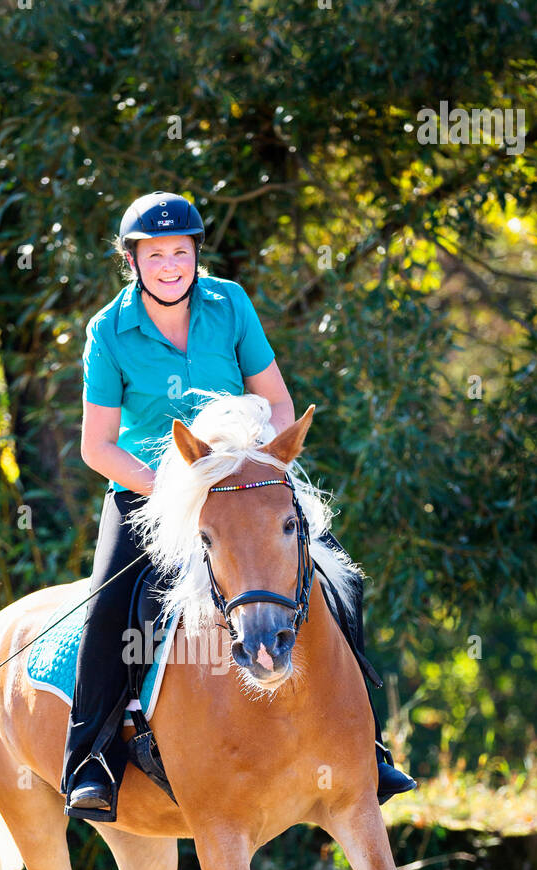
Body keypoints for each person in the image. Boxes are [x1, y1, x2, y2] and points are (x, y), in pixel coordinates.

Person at [61, 190, 415, 820]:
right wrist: (173, 491)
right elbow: (97, 447)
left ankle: (370, 747)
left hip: (244, 484)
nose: (170, 265)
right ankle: (91, 760)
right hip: (150, 494)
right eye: (155, 255)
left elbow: (279, 403)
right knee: (108, 607)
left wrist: (259, 459)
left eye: (181, 252)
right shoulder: (107, 332)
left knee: (341, 578)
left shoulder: (231, 303)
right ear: (132, 261)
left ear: (196, 253)